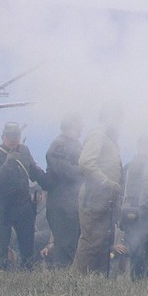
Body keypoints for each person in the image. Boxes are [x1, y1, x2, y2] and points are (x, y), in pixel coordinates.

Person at [0, 122, 46, 271]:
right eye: (9, 136)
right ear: (3, 137)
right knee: (0, 246)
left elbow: (34, 171)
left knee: (27, 246)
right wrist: (8, 163)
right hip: (3, 206)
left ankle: (26, 276)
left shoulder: (24, 151)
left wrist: (47, 183)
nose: (13, 139)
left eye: (16, 136)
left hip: (23, 204)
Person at [72, 109, 123, 275]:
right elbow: (86, 163)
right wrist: (107, 182)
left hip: (104, 197)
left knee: (101, 241)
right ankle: (81, 279)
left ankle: (96, 280)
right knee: (91, 241)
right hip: (95, 196)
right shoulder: (98, 135)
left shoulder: (108, 138)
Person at [44, 114, 83, 268]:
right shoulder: (58, 145)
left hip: (72, 203)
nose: (81, 130)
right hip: (62, 204)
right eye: (79, 126)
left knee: (72, 244)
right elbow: (62, 170)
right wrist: (84, 172)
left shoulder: (76, 145)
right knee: (65, 245)